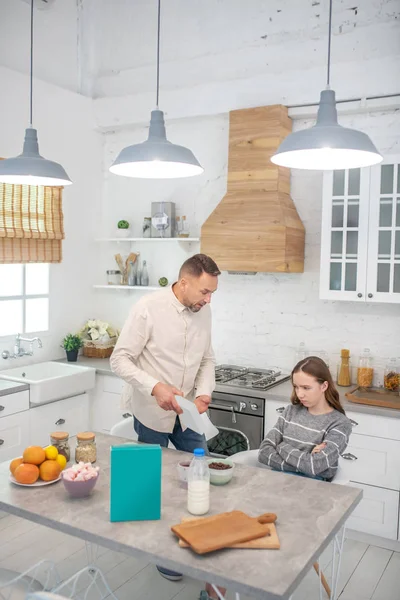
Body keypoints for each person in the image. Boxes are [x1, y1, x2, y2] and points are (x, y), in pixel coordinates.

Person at [110, 253, 220, 582]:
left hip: (188, 415)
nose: (209, 299)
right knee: (149, 488)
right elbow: (120, 359)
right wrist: (155, 386)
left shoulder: (204, 310)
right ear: (183, 283)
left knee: (197, 482)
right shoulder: (148, 308)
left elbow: (208, 360)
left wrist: (204, 392)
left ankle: (192, 543)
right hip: (150, 414)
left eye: (213, 293)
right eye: (204, 292)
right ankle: (159, 551)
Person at [258, 356, 352, 481]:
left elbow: (314, 465)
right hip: (275, 482)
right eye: (296, 387)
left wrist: (281, 446)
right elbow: (264, 453)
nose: (299, 394)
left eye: (306, 388)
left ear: (324, 386)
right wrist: (305, 463)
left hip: (311, 490)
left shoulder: (339, 424)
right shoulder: (290, 411)